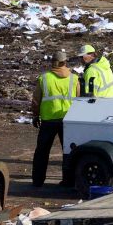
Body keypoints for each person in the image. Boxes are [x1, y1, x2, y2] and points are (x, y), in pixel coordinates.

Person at [31, 49, 79, 187]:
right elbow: (79, 100)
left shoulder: (45, 78)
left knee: (42, 152)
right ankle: (68, 181)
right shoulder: (74, 79)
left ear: (54, 63)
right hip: (68, 121)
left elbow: (36, 101)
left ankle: (38, 180)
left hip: (48, 121)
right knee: (68, 152)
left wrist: (35, 116)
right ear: (65, 63)